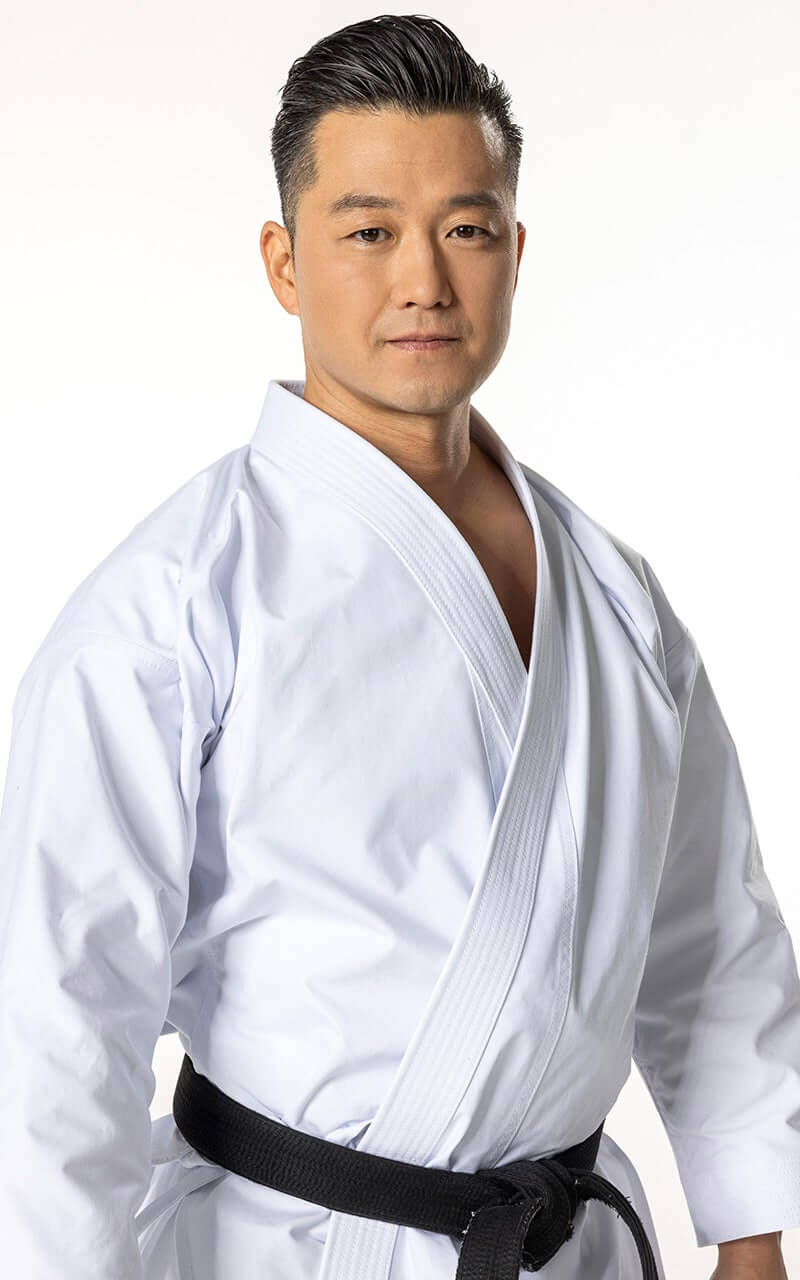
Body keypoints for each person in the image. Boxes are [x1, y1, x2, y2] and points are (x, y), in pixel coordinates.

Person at [0, 13, 797, 1280]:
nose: (422, 279)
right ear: (283, 262)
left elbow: (707, 936)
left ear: (514, 252)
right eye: (368, 232)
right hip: (288, 1249)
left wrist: (752, 1237)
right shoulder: (173, 604)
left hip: (571, 1248)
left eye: (464, 229)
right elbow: (56, 1023)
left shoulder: (616, 598)